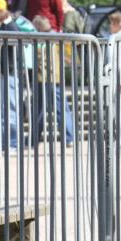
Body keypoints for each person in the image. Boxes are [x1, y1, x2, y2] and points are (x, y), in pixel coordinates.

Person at [31, 15, 75, 147]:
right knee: (61, 108)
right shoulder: (57, 37)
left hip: (44, 77)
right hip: (56, 76)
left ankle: (35, 137)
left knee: (40, 109)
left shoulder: (41, 40)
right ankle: (69, 137)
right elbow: (67, 57)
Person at [0, 0, 22, 151]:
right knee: (0, 109)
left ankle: (13, 143)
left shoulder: (10, 25)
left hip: (9, 72)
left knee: (10, 108)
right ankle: (3, 142)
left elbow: (15, 48)